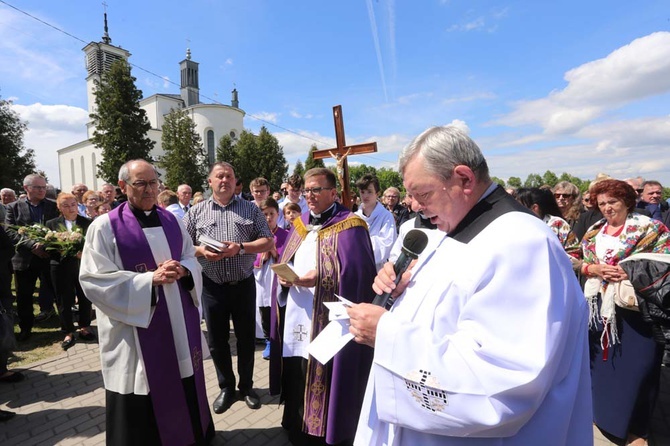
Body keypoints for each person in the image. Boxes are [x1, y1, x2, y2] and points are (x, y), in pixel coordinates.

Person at [347, 125, 592, 445]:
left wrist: (388, 335)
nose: (416, 206)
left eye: (423, 194)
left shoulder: (522, 244)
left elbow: (505, 385)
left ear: (464, 178)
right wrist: (400, 292)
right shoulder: (448, 232)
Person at [79, 160, 213, 445]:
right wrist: (148, 280)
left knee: (183, 371)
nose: (150, 189)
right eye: (141, 183)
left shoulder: (173, 220)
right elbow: (93, 280)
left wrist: (185, 270)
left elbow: (190, 256)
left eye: (154, 182)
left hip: (177, 318)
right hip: (136, 329)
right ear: (123, 187)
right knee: (143, 384)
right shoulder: (105, 228)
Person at [273, 167, 377, 446]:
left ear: (333, 192)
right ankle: (297, 424)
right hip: (298, 310)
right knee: (298, 367)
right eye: (307, 190)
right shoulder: (300, 223)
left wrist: (320, 277)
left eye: (316, 190)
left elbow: (358, 272)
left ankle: (326, 430)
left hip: (328, 316)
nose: (310, 195)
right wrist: (286, 279)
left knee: (324, 370)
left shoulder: (351, 225)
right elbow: (289, 257)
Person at [580, 179, 670, 445]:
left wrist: (629, 271)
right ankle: (607, 418)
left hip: (636, 312)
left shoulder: (650, 228)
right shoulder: (594, 231)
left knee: (639, 369)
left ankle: (636, 428)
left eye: (612, 202)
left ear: (627, 201)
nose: (607, 208)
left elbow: (664, 262)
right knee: (606, 369)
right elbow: (582, 261)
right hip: (601, 313)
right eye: (602, 204)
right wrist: (593, 269)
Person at [183, 162, 274, 415]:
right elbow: (181, 246)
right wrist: (201, 251)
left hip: (243, 285)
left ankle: (246, 387)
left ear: (236, 182)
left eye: (230, 177)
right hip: (212, 287)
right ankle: (226, 387)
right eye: (219, 176)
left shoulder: (251, 209)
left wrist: (241, 248)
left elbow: (268, 240)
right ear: (210, 181)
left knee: (246, 340)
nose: (225, 180)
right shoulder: (195, 212)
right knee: (217, 342)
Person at [5, 174, 59, 340]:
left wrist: (45, 245)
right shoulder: (13, 207)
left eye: (44, 187)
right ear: (26, 188)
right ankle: (26, 328)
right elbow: (9, 231)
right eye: (37, 187)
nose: (42, 190)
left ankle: (67, 327)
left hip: (49, 256)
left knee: (58, 292)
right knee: (24, 296)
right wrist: (32, 246)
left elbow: (59, 227)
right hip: (24, 260)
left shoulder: (53, 206)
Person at [46, 193, 94, 351]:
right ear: (59, 207)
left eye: (73, 204)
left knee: (84, 296)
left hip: (82, 266)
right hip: (60, 267)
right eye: (66, 205)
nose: (71, 208)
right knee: (63, 299)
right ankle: (68, 331)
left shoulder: (87, 223)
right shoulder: (52, 224)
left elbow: (94, 244)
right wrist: (62, 250)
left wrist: (84, 253)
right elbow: (48, 247)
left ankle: (85, 326)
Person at [253, 198, 288, 360]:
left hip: (278, 278)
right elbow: (251, 258)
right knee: (265, 310)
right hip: (262, 280)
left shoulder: (286, 235)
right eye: (265, 214)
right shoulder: (256, 235)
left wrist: (276, 254)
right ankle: (268, 340)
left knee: (279, 310)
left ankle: (280, 341)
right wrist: (263, 256)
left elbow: (290, 258)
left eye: (271, 214)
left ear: (278, 214)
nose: (268, 217)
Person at [515, 187, 580, 258]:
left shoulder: (558, 224)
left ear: (534, 208)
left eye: (520, 207)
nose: (516, 211)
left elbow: (574, 254)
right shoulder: (517, 226)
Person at [355, 174, 396, 271]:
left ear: (377, 194)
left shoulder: (386, 216)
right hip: (358, 267)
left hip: (378, 268)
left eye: (369, 192)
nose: (365, 196)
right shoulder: (354, 217)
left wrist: (360, 246)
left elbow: (387, 244)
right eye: (362, 192)